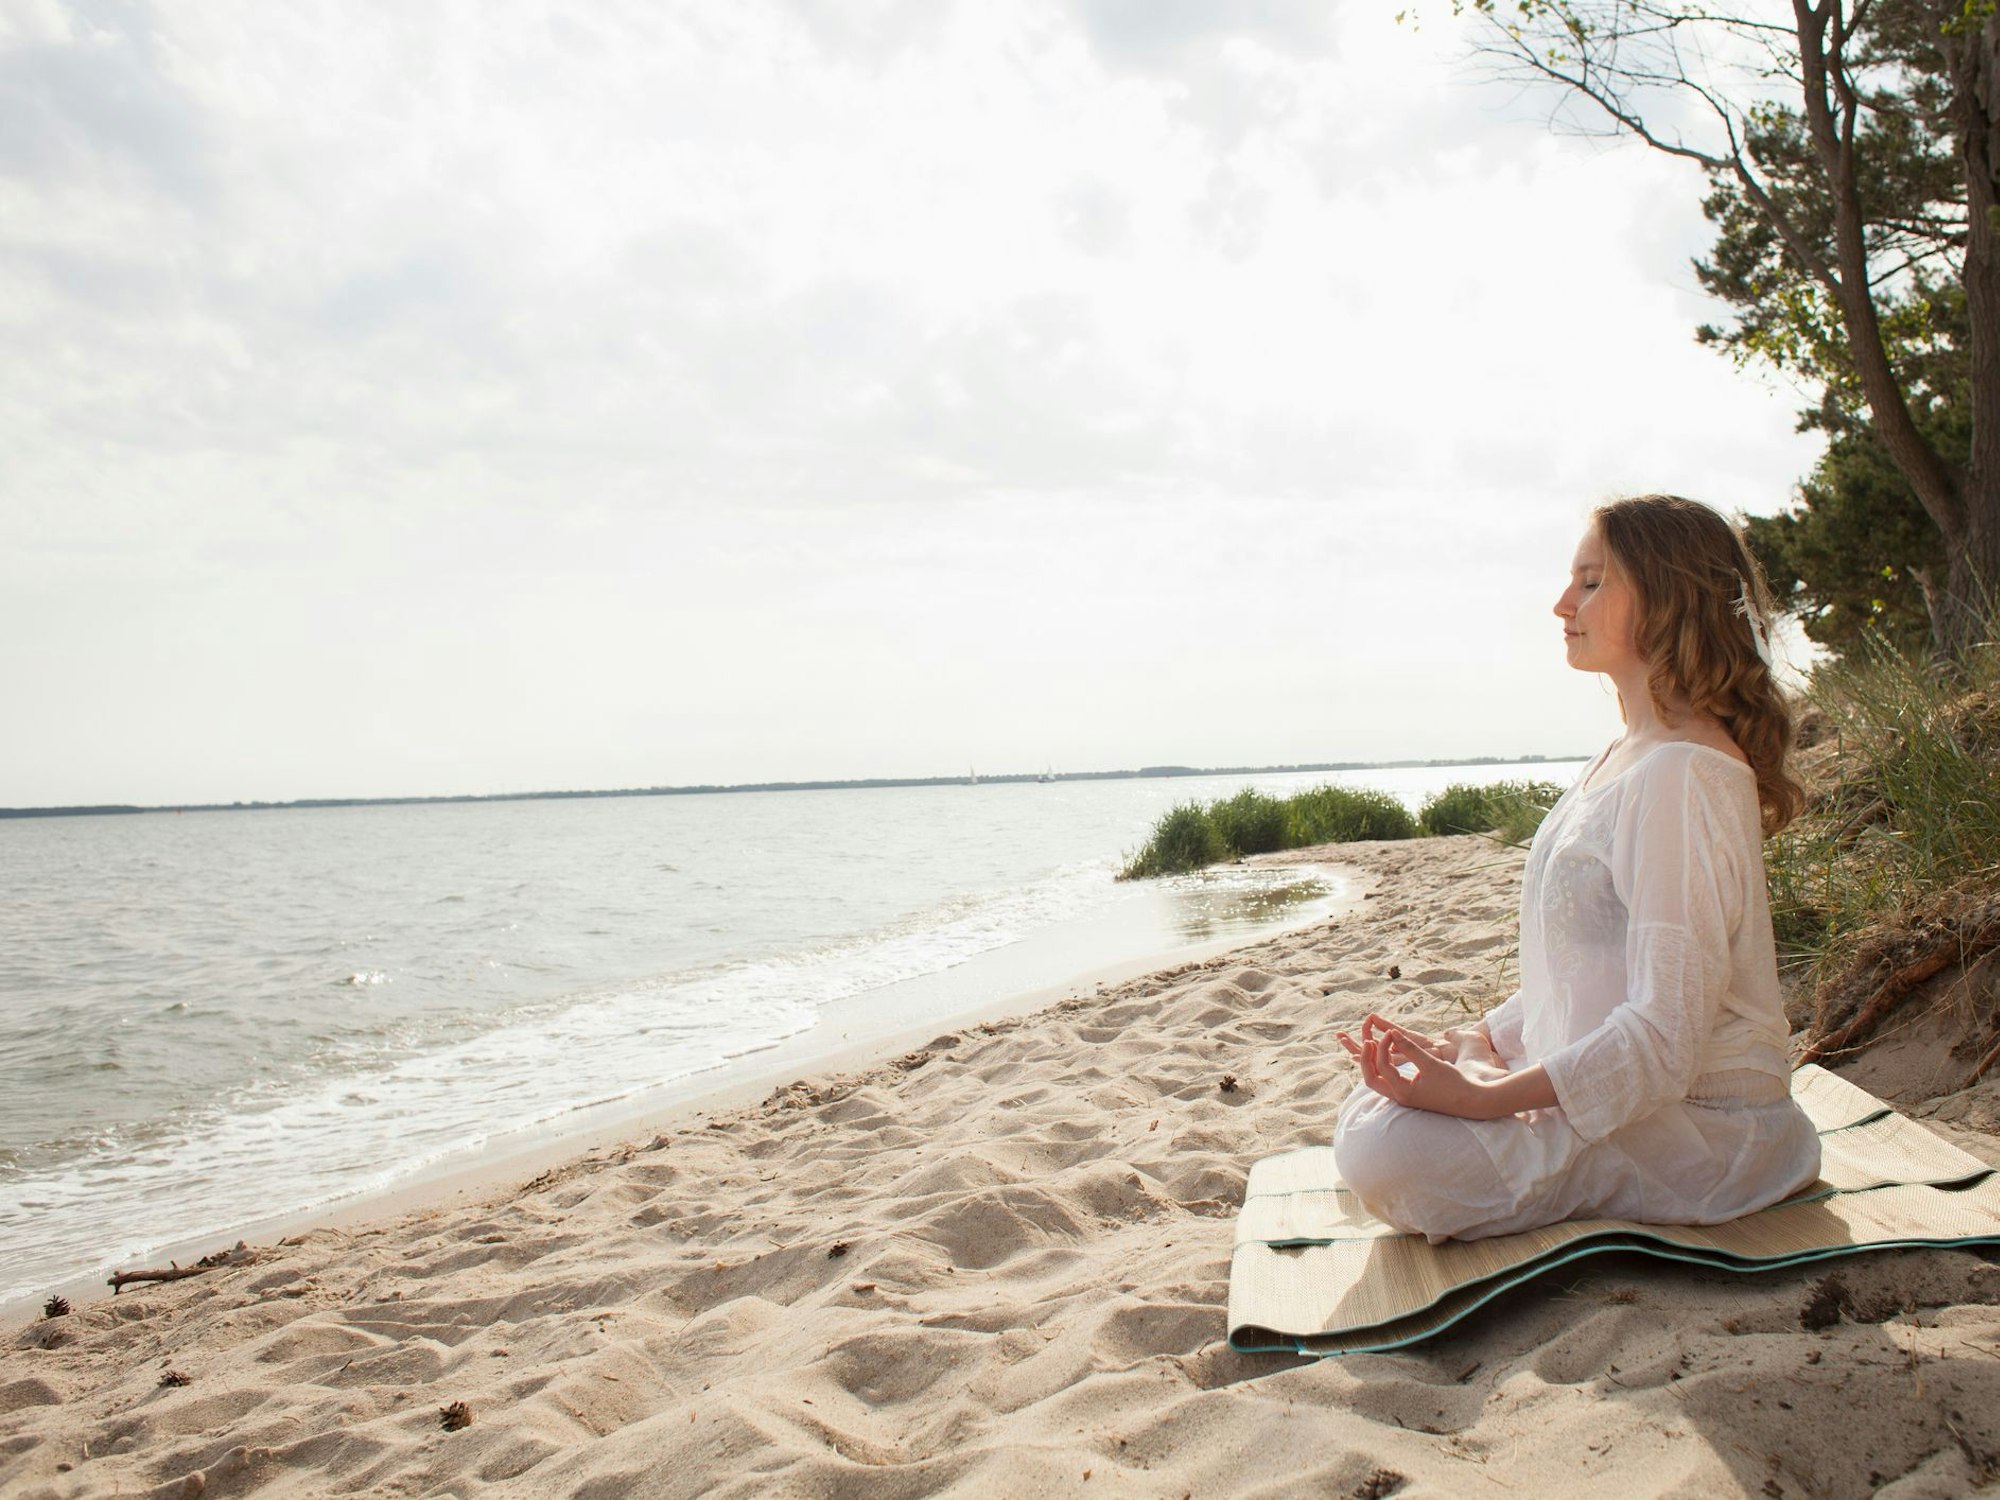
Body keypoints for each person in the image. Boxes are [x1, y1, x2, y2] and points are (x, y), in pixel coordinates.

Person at [1331, 494, 1822, 1243]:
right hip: (1630, 1095)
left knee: (1390, 1150)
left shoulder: (1683, 775)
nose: (1564, 602)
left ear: (1666, 599)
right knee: (1374, 1115)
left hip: (1707, 1129)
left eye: (1592, 581)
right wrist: (1484, 1042)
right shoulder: (1623, 758)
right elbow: (1590, 962)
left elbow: (1664, 1037)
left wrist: (1479, 1098)